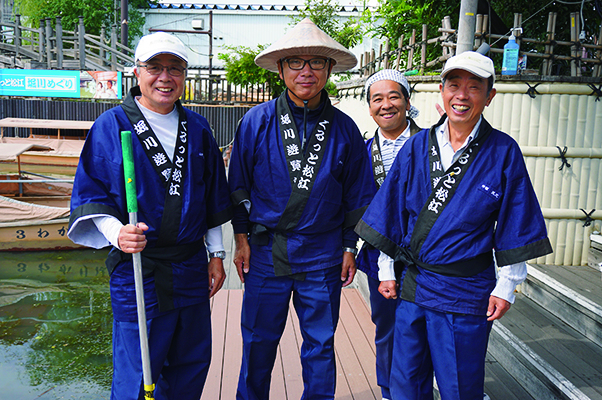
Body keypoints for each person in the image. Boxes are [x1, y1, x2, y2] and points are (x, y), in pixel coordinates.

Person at [355, 51, 553, 400]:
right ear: (441, 92)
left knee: (459, 386)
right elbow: (391, 212)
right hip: (414, 284)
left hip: (465, 290)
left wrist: (507, 286)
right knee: (406, 384)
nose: (462, 95)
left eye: (474, 87)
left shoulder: (503, 151)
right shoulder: (417, 146)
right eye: (453, 85)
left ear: (489, 96)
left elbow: (515, 221)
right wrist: (386, 268)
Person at [67, 32, 232, 400]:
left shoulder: (200, 129)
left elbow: (212, 200)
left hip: (190, 266)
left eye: (175, 68)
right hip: (139, 267)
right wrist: (117, 233)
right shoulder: (111, 127)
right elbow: (91, 194)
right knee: (136, 373)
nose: (165, 77)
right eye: (155, 67)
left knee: (190, 364)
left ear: (185, 76)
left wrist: (217, 255)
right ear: (137, 73)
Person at [228, 18, 374, 400]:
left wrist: (348, 247)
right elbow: (238, 185)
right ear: (281, 70)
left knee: (321, 347)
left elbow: (358, 196)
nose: (306, 71)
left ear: (329, 70)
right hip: (265, 253)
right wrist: (240, 239)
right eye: (296, 62)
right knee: (258, 343)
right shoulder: (255, 122)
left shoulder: (345, 129)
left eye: (316, 63)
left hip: (323, 255)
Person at [355, 69, 421, 400]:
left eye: (394, 96)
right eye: (377, 99)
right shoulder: (362, 152)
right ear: (369, 108)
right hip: (377, 257)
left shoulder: (432, 145)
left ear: (408, 102)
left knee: (424, 329)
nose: (386, 105)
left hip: (425, 258)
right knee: (387, 328)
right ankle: (389, 391)